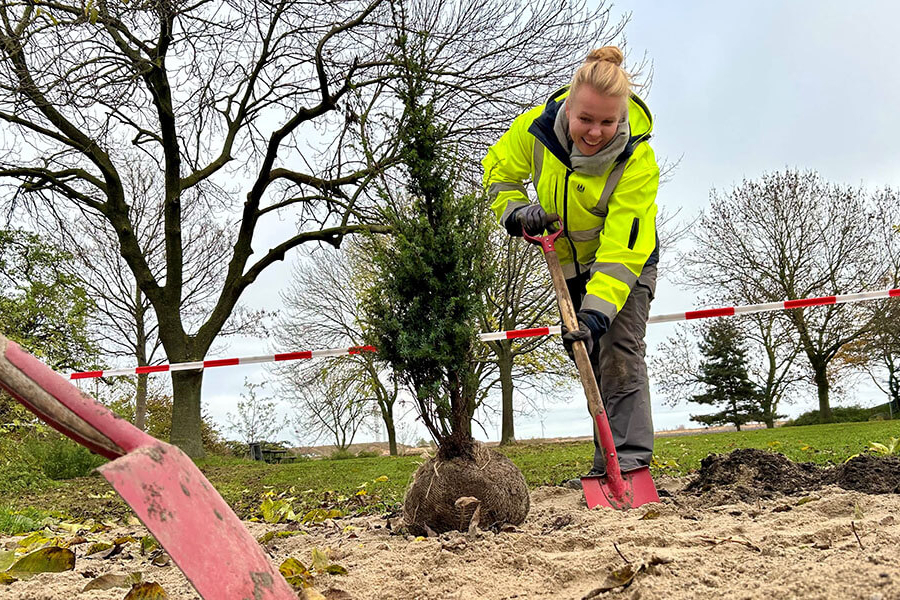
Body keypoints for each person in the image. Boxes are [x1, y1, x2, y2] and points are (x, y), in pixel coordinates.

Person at [482, 46, 659, 484]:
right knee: (590, 356)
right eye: (586, 119)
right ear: (569, 107)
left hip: (626, 266)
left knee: (618, 349)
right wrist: (519, 212)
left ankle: (630, 464)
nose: (595, 131)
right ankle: (606, 463)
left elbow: (623, 247)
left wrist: (598, 311)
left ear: (621, 118)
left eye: (606, 122)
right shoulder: (535, 130)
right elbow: (498, 175)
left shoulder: (637, 160)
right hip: (567, 265)